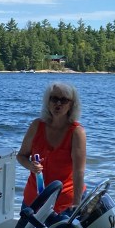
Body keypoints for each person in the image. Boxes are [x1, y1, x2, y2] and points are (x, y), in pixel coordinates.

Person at [17, 82, 86, 216]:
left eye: (64, 100)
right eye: (54, 99)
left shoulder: (77, 132)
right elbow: (21, 156)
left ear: (71, 104)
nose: (58, 104)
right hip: (33, 200)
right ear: (47, 102)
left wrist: (77, 204)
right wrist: (30, 166)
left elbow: (79, 172)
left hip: (64, 204)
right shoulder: (36, 125)